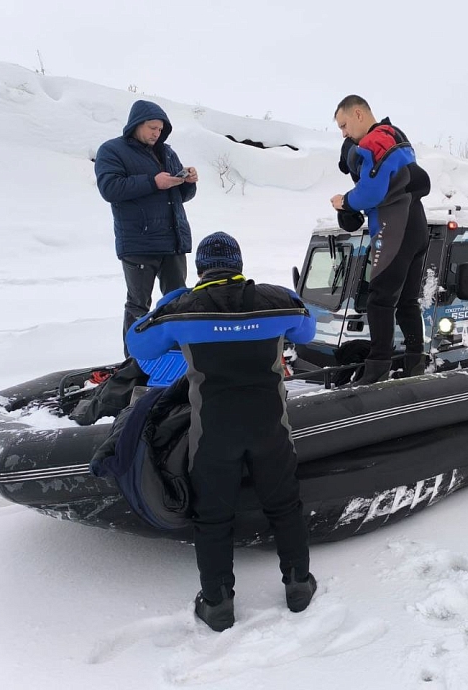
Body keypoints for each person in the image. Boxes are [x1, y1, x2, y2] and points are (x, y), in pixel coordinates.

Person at [125, 232, 318, 632]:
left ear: (200, 270)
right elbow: (307, 330)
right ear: (239, 265)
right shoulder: (276, 301)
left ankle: (217, 604)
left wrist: (167, 302)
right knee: (284, 506)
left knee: (212, 518)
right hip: (270, 427)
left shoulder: (182, 309)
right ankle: (298, 585)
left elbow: (138, 345)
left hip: (213, 432)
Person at [330, 95, 431, 384]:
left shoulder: (373, 142)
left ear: (359, 114)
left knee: (380, 300)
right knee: (408, 300)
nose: (344, 133)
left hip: (395, 227)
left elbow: (371, 193)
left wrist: (344, 202)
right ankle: (414, 361)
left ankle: (377, 367)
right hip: (416, 224)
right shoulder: (396, 135)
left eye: (344, 125)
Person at [95, 99, 198, 356]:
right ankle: (134, 360)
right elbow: (110, 188)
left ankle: (176, 356)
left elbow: (178, 196)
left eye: (160, 129)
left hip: (172, 242)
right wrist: (153, 182)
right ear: (137, 124)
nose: (156, 133)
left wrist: (187, 182)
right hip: (139, 243)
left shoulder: (167, 152)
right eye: (152, 127)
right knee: (138, 305)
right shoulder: (112, 151)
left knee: (176, 303)